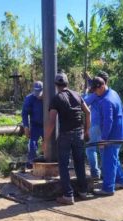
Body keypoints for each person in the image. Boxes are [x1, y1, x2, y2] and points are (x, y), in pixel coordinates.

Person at [44, 71, 91, 205]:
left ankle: (68, 196)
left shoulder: (56, 99)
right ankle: (83, 192)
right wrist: (86, 131)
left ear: (56, 85)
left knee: (63, 166)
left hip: (65, 135)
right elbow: (88, 112)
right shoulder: (77, 95)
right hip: (79, 133)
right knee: (79, 163)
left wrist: (46, 141)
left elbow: (52, 122)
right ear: (67, 83)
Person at [90, 76, 123, 196]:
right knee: (113, 158)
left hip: (112, 135)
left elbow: (108, 121)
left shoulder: (107, 100)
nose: (95, 92)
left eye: (96, 90)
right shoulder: (112, 92)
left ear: (102, 86)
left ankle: (108, 188)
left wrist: (104, 138)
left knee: (108, 161)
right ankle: (121, 181)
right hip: (119, 132)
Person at [83, 71, 109, 179]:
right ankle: (105, 172)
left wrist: (85, 92)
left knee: (90, 149)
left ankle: (95, 173)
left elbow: (84, 102)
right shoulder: (107, 92)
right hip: (104, 125)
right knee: (103, 149)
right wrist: (88, 79)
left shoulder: (94, 95)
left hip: (95, 125)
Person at [22, 81, 44, 169]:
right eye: (36, 93)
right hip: (35, 125)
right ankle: (32, 162)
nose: (38, 95)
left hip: (47, 125)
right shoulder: (29, 98)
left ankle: (48, 160)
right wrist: (26, 127)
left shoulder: (49, 97)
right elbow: (24, 113)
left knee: (49, 145)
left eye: (40, 93)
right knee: (32, 144)